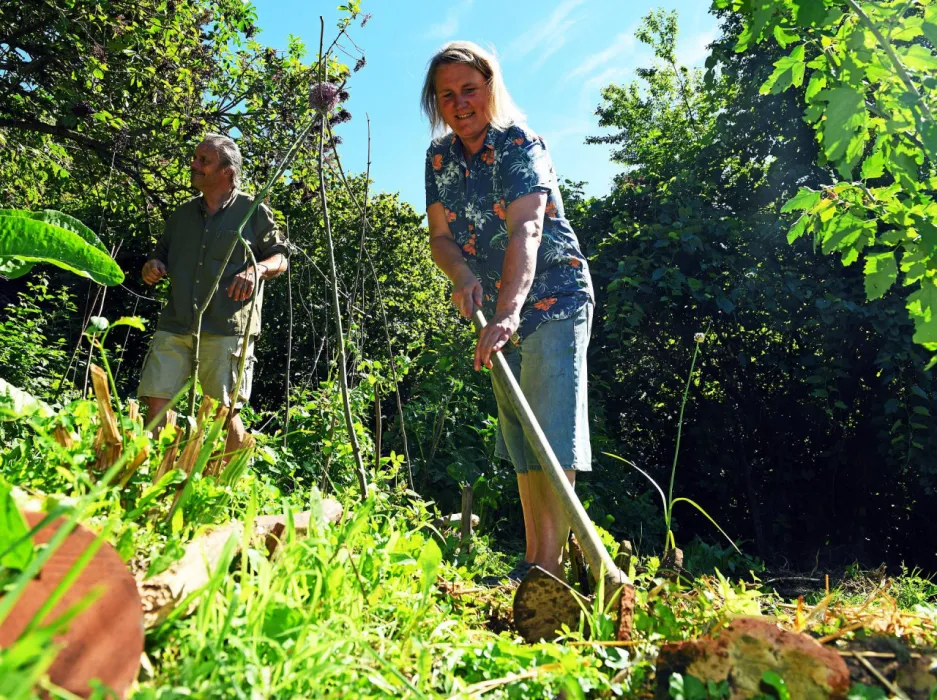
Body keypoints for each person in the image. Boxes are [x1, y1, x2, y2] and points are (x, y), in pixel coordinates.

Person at [421, 42, 595, 580]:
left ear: (490, 88)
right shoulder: (438, 159)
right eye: (447, 95)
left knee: (549, 427)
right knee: (520, 434)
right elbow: (441, 239)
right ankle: (533, 560)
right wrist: (464, 276)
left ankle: (551, 568)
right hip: (497, 310)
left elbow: (528, 228)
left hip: (551, 297)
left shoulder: (519, 142)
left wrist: (507, 312)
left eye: (469, 89)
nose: (460, 103)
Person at [137, 133, 288, 457]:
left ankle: (229, 487)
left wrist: (255, 270)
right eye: (195, 158)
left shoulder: (252, 211)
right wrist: (152, 265)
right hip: (176, 323)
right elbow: (158, 254)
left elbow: (281, 258)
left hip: (225, 329)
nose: (193, 165)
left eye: (203, 161)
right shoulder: (181, 216)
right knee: (157, 401)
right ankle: (160, 480)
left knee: (223, 412)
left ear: (227, 172)